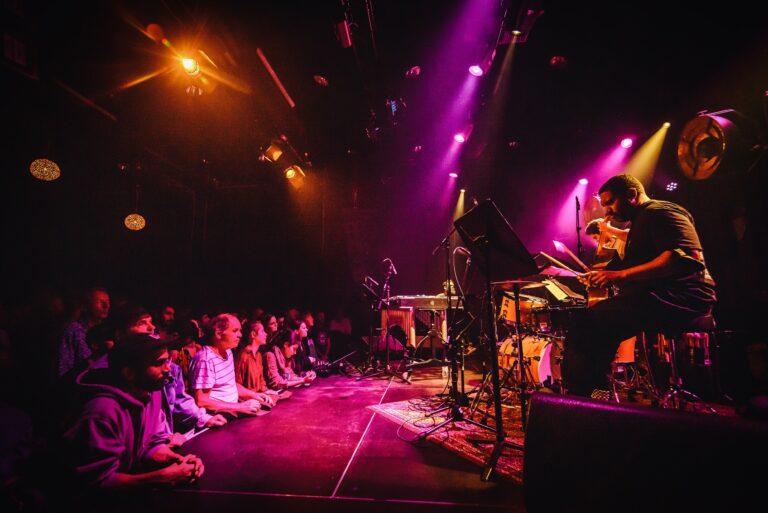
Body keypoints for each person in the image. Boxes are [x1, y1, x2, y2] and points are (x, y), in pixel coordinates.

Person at [562, 174, 717, 396]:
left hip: (683, 297)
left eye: (610, 203)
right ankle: (596, 394)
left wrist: (619, 275)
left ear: (631, 195)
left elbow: (685, 259)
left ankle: (580, 399)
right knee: (598, 326)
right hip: (661, 295)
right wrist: (603, 275)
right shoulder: (642, 220)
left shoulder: (662, 212)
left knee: (584, 323)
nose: (607, 211)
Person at [63, 333, 204, 489]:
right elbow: (97, 482)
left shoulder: (152, 392)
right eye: (159, 363)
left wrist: (175, 460)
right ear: (129, 373)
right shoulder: (102, 412)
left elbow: (150, 445)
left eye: (167, 361)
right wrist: (161, 477)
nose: (168, 369)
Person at [189, 313, 275, 417]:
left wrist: (255, 395)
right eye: (235, 331)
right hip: (218, 418)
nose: (240, 335)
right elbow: (202, 401)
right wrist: (240, 406)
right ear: (219, 334)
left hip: (231, 412)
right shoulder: (206, 359)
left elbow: (231, 385)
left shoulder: (228, 352)